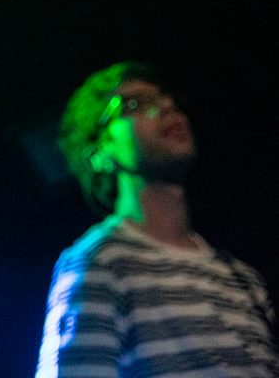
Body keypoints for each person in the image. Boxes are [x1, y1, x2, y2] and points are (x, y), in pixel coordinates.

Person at [35, 61, 277, 377]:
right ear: (100, 151)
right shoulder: (99, 262)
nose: (165, 107)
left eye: (167, 100)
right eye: (135, 104)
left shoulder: (242, 278)